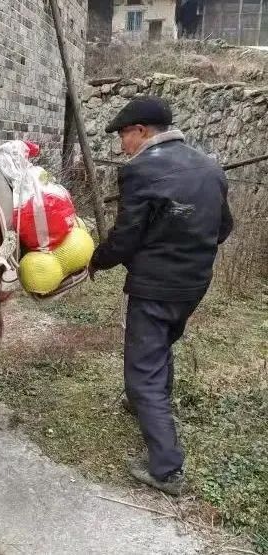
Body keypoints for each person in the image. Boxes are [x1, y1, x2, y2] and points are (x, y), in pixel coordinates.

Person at [89, 95, 233, 495]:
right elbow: (223, 228)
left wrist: (96, 261)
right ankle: (147, 405)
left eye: (123, 136)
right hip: (194, 284)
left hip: (155, 286)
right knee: (161, 345)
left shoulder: (140, 171)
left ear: (141, 131)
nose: (122, 146)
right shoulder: (210, 167)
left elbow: (126, 237)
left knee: (142, 371)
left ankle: (166, 470)